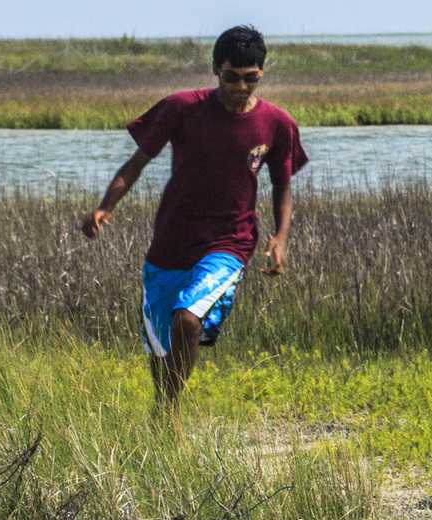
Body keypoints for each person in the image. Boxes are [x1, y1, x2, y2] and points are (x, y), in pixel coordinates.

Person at [79, 24, 308, 406]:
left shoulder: (277, 124)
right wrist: (105, 207)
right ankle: (164, 410)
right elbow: (136, 163)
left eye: (250, 79)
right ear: (215, 69)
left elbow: (283, 186)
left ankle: (168, 411)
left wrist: (280, 237)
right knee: (161, 344)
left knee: (187, 318)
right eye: (231, 77)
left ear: (261, 74)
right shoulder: (182, 108)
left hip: (229, 243)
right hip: (170, 242)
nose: (240, 88)